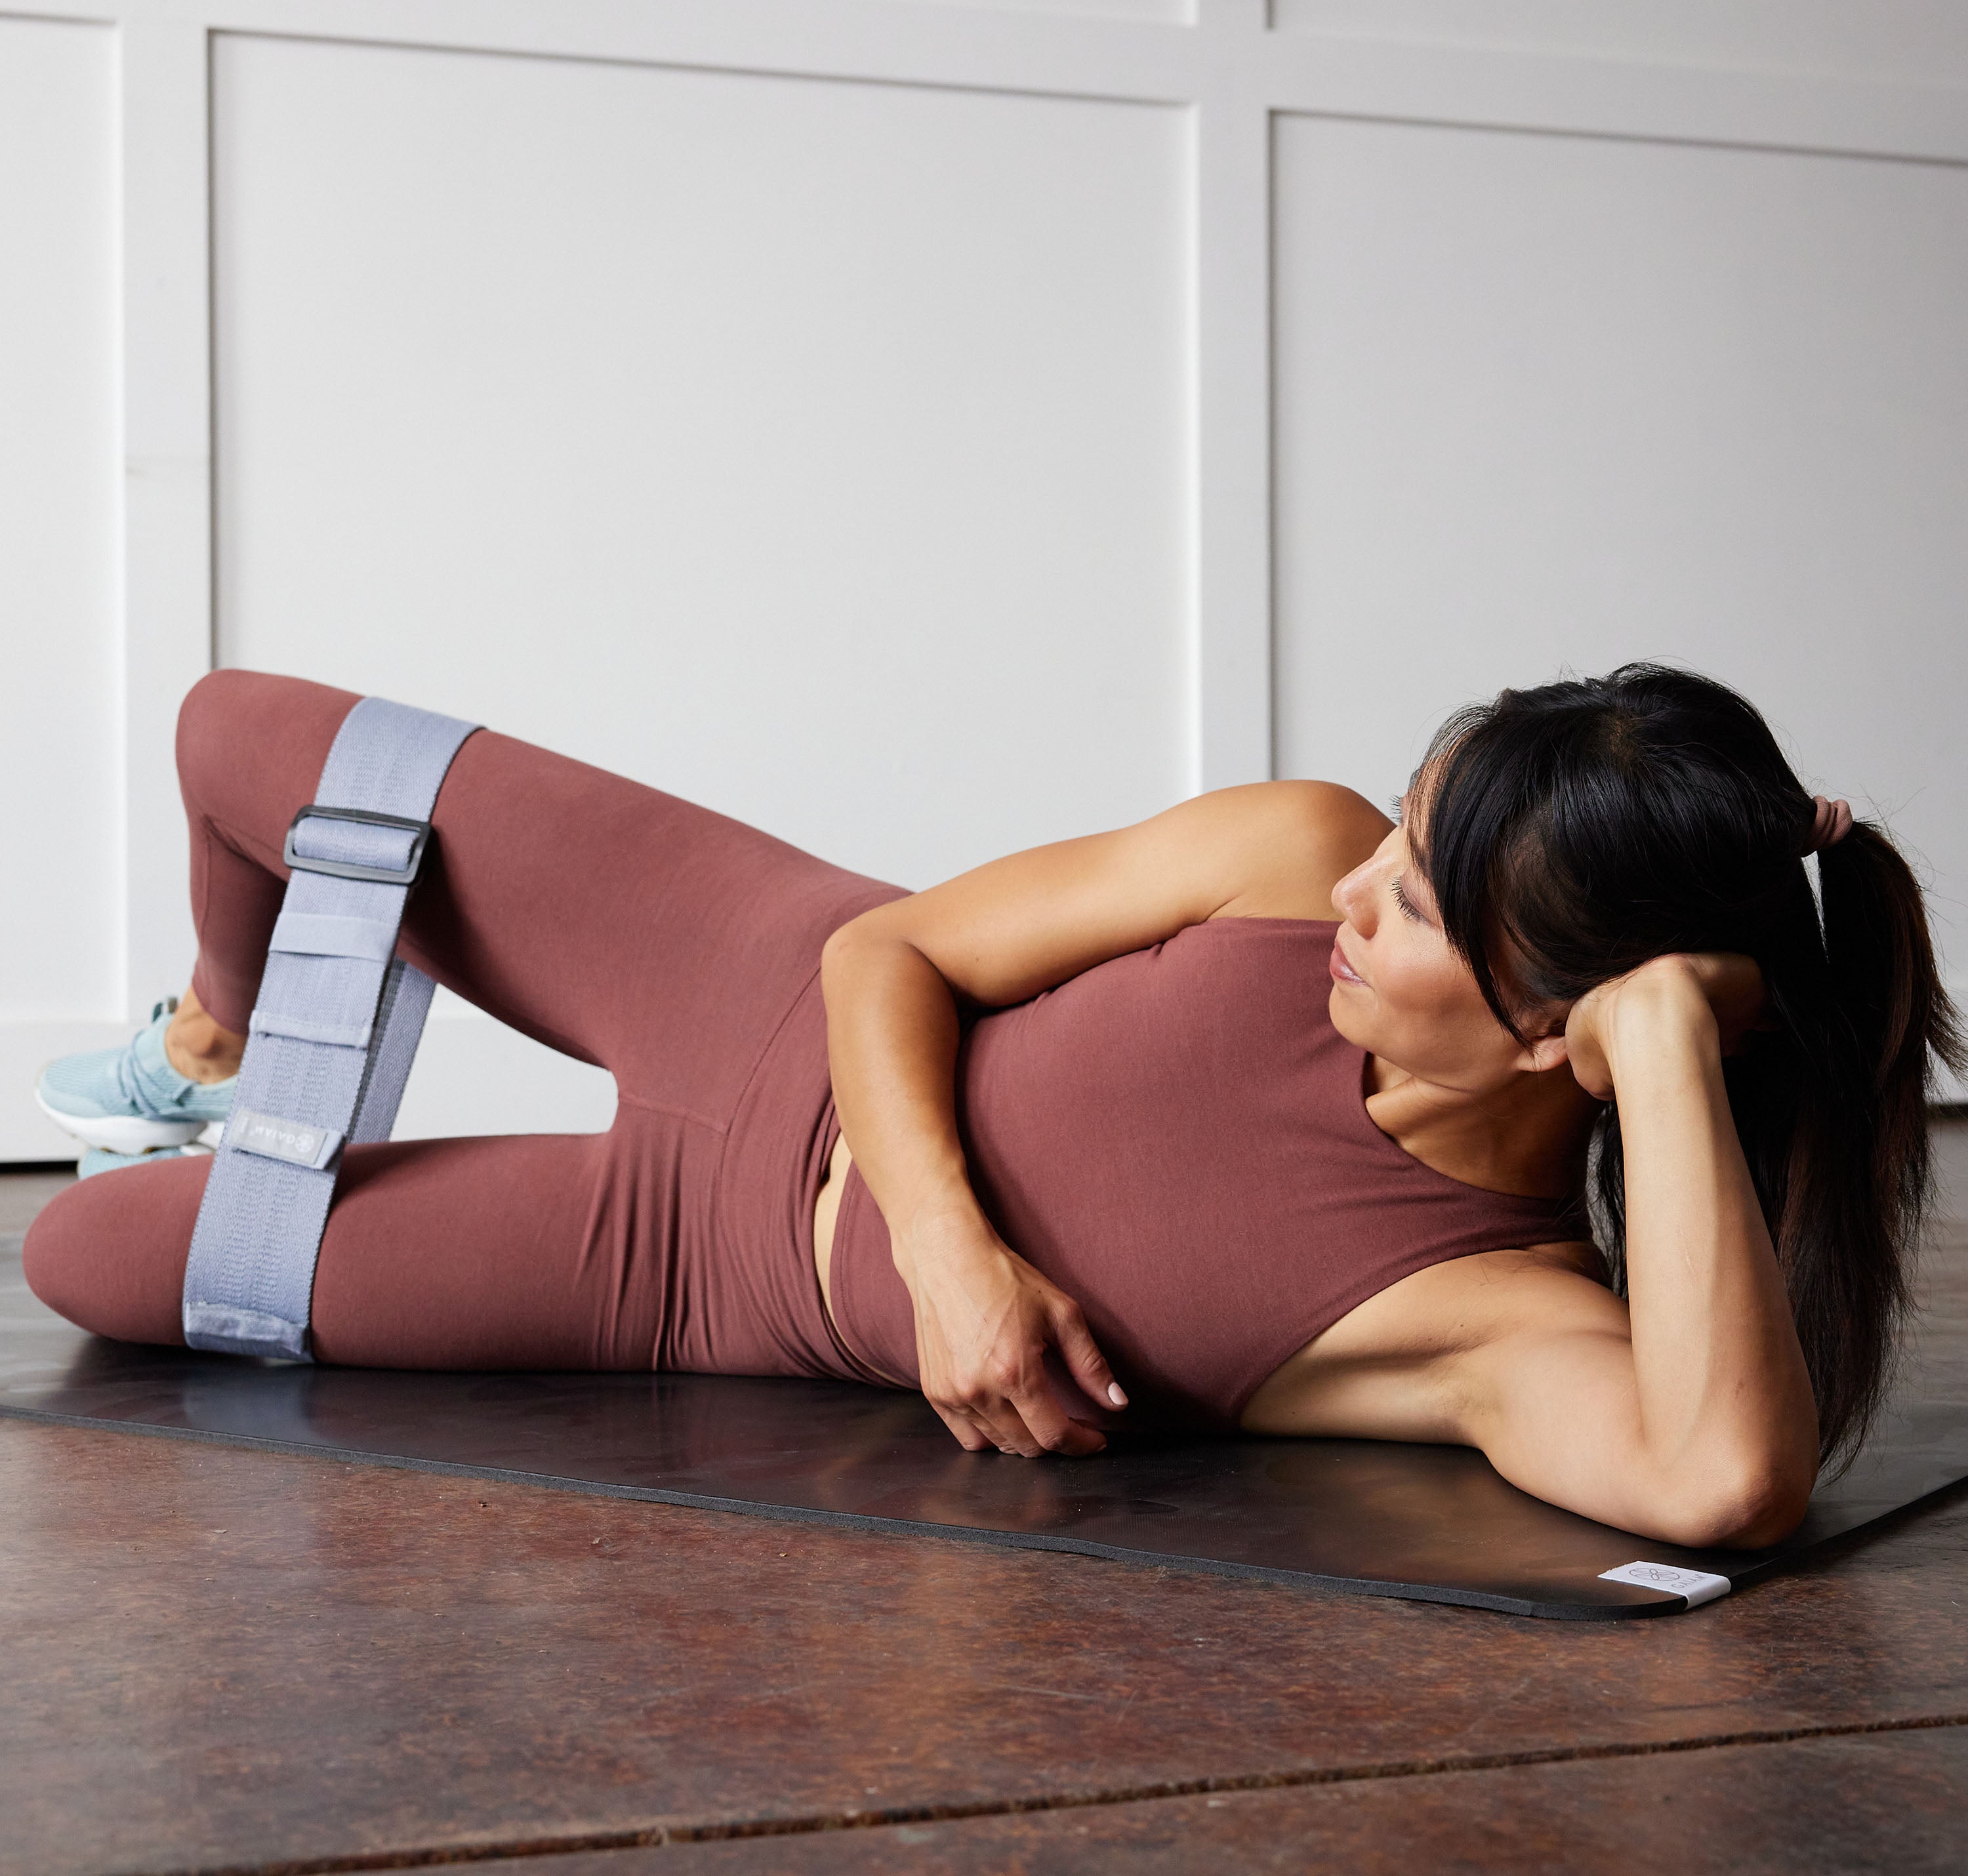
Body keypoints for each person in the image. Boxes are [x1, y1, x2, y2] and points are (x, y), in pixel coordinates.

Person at [26, 664, 1960, 1552]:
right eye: (1404, 822)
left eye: (1427, 901)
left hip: (688, 1282)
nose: (1363, 891)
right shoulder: (1295, 854)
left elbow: (1721, 1486)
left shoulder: (1487, 1316)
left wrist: (1685, 1047)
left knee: (81, 1256)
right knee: (240, 742)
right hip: (750, 957)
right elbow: (894, 962)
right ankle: (203, 1055)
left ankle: (221, 1148)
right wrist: (949, 1258)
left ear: (1566, 1029)